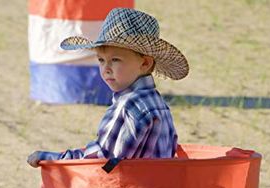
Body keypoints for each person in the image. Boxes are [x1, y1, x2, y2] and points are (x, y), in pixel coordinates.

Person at [27, 7, 189, 168]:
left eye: (116, 60)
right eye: (101, 60)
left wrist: (50, 158)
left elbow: (101, 159)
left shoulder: (128, 105)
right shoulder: (159, 104)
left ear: (145, 63)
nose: (106, 68)